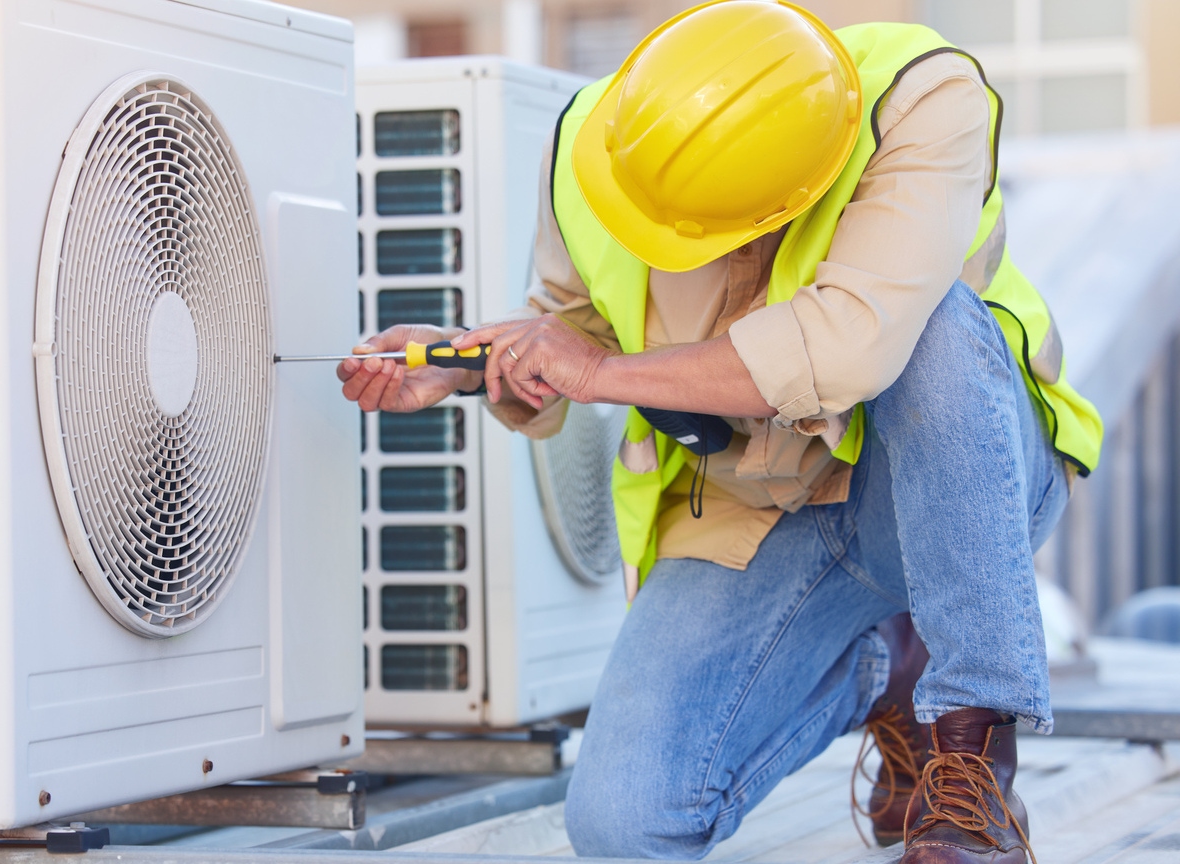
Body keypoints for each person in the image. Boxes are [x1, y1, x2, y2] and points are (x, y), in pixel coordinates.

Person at [337, 1, 1101, 861]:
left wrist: (601, 376)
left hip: (940, 487)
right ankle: (888, 669)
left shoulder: (918, 99)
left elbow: (849, 344)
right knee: (624, 826)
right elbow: (573, 326)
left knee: (938, 331)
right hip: (757, 507)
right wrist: (472, 360)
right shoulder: (602, 142)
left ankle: (971, 768)